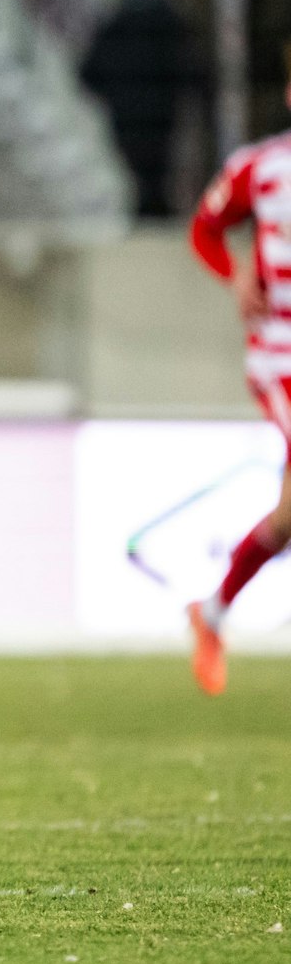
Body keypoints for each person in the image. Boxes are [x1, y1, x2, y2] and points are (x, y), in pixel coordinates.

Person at [186, 83, 291, 697]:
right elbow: (205, 229)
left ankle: (214, 609)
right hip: (281, 357)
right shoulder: (261, 167)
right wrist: (235, 274)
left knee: (286, 520)